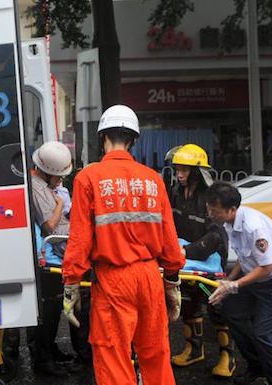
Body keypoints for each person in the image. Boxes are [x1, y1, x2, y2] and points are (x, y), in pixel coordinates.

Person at [61, 105, 185, 385]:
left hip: (113, 279)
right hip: (150, 278)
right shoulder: (153, 180)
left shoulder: (88, 178)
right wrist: (173, 283)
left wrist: (71, 285)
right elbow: (169, 239)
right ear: (133, 140)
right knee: (156, 354)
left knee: (113, 355)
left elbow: (80, 239)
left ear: (102, 137)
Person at [206, 182, 272, 385]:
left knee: (265, 333)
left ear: (232, 209)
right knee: (232, 312)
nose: (210, 214)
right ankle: (258, 365)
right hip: (257, 277)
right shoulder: (230, 222)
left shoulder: (253, 227)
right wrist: (228, 281)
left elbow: (267, 267)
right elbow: (244, 258)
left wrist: (235, 285)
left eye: (214, 210)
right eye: (209, 208)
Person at [166, 144, 236, 378]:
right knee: (187, 304)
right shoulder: (176, 191)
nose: (179, 174)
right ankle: (194, 350)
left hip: (208, 265)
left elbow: (216, 236)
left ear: (197, 171)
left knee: (216, 306)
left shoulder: (210, 197)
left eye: (184, 170)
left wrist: (188, 251)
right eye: (177, 169)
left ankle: (228, 357)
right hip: (186, 262)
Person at [28, 141, 75, 376]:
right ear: (47, 172)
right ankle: (43, 359)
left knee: (54, 305)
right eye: (59, 177)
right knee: (48, 308)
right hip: (56, 247)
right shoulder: (37, 188)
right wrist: (59, 204)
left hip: (61, 243)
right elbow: (50, 226)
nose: (61, 181)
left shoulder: (44, 184)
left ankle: (49, 349)